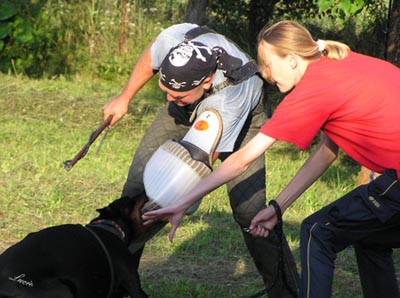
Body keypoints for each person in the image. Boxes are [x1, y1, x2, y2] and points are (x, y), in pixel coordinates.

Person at [143, 20, 400, 298]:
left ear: (291, 59)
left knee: (317, 231)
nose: (265, 74)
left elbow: (243, 159)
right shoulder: (340, 63)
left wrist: (182, 201)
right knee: (367, 237)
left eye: (267, 64)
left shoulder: (313, 89)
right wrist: (278, 208)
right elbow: (327, 151)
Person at [103, 23, 299, 297]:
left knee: (250, 214)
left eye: (176, 94)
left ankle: (288, 292)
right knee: (136, 194)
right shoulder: (176, 43)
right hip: (190, 107)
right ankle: (118, 285)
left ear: (205, 81)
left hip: (242, 119)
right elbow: (151, 55)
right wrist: (124, 98)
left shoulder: (231, 98)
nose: (168, 98)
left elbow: (195, 168)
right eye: (165, 90)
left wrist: (181, 202)